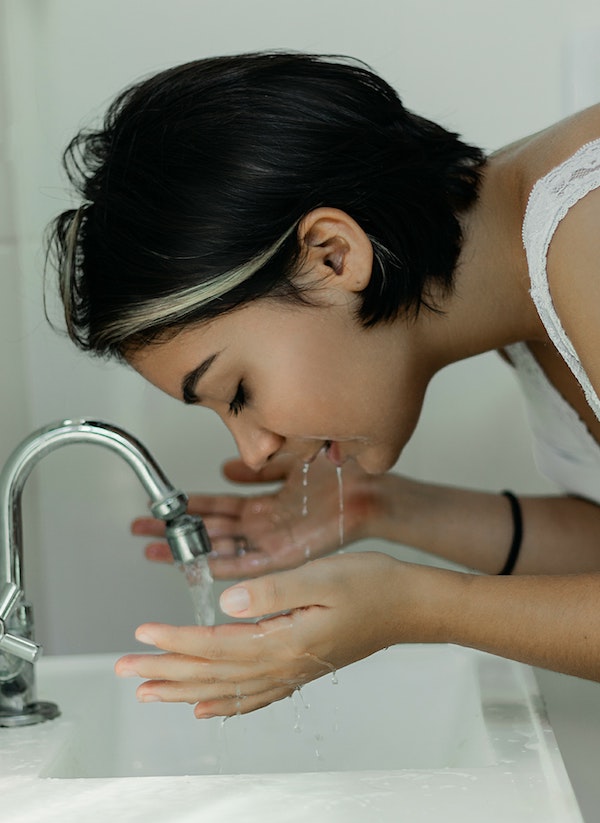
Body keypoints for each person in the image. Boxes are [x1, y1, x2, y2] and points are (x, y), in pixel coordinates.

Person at [47, 51, 600, 719]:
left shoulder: (588, 230)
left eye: (239, 391)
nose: (256, 451)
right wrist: (380, 508)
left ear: (333, 256)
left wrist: (416, 606)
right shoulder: (521, 278)